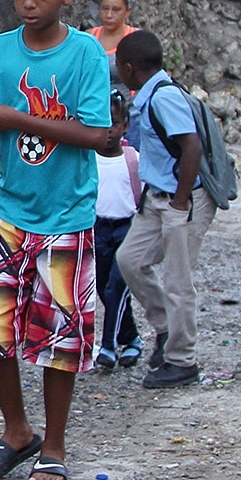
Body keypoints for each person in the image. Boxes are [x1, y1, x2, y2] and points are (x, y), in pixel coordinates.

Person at [0, 0, 112, 480]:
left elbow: (96, 134)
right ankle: (16, 430)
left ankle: (55, 443)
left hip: (66, 215)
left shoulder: (86, 54)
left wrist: (16, 119)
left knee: (59, 336)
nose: (27, 4)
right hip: (8, 212)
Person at [114, 29, 217, 390]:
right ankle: (165, 330)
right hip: (157, 198)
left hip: (180, 200)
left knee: (178, 280)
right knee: (130, 259)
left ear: (128, 68)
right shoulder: (150, 94)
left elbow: (191, 148)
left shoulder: (164, 97)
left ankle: (182, 360)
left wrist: (180, 203)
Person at [92, 89, 143, 371]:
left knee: (115, 288)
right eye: (102, 122)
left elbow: (142, 196)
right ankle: (132, 338)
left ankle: (109, 346)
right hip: (97, 230)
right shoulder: (88, 160)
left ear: (125, 125)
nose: (108, 130)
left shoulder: (132, 159)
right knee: (103, 287)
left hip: (126, 229)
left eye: (113, 122)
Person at [90, 0, 135, 82]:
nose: (109, 15)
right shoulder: (89, 37)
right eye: (105, 9)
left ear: (127, 12)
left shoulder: (136, 39)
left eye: (116, 9)